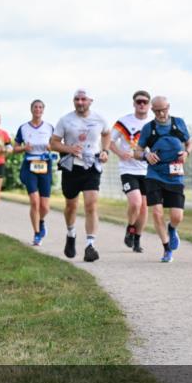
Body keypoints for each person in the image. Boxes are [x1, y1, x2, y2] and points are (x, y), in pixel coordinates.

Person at [50, 89, 111, 262]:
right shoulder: (65, 120)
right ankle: (71, 233)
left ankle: (90, 245)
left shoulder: (99, 119)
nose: (80, 102)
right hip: (71, 167)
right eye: (77, 99)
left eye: (83, 99)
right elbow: (53, 143)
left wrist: (105, 151)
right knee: (71, 206)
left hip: (92, 166)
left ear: (90, 101)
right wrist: (69, 149)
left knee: (91, 205)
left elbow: (107, 134)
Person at [134, 96, 192, 263]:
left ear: (169, 107)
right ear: (152, 111)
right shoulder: (148, 128)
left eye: (164, 109)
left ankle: (172, 229)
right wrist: (146, 155)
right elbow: (136, 152)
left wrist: (186, 152)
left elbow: (189, 143)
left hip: (175, 175)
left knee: (177, 216)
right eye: (157, 110)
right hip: (155, 174)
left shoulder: (179, 123)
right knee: (157, 212)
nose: (161, 113)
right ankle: (167, 249)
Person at [111, 90, 152, 253]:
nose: (141, 104)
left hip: (147, 170)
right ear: (134, 103)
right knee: (135, 202)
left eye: (144, 102)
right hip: (128, 169)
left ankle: (137, 240)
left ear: (149, 105)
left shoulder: (153, 123)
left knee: (144, 207)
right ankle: (130, 227)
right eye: (139, 102)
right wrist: (120, 153)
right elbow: (109, 141)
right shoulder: (124, 122)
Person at [14, 100, 55, 246]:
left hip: (45, 165)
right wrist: (24, 148)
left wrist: (51, 147)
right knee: (34, 201)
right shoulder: (24, 128)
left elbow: (56, 145)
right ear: (31, 109)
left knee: (45, 206)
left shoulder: (49, 127)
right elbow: (15, 148)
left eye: (40, 107)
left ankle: (41, 221)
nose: (37, 109)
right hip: (29, 165)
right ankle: (37, 233)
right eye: (35, 107)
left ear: (43, 110)